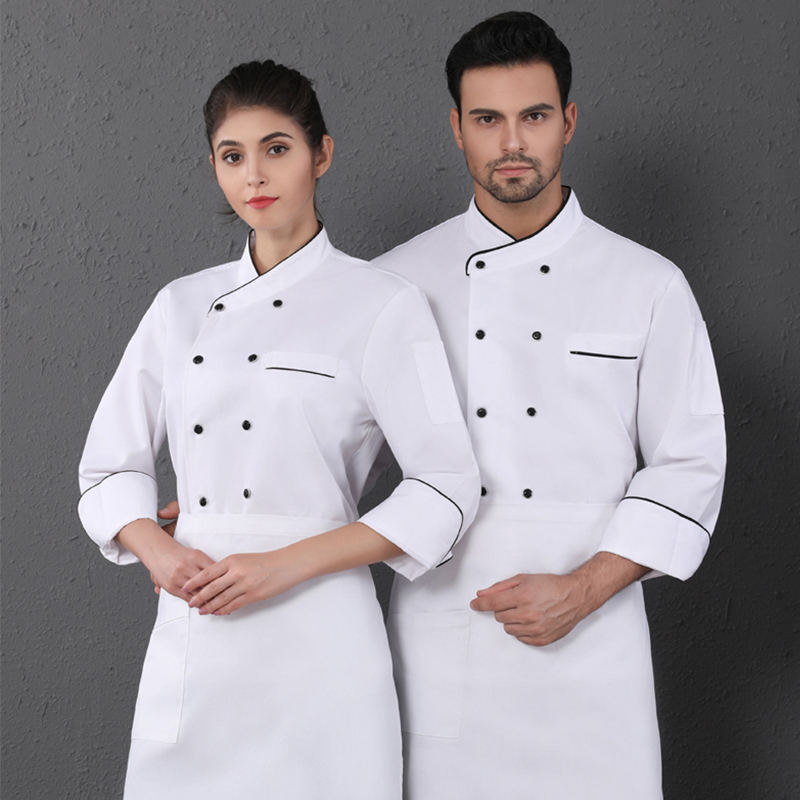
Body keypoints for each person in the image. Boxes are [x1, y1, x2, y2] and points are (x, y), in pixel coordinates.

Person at [77, 60, 480, 800]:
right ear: (214, 167)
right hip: (198, 623)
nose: (255, 175)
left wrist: (283, 565)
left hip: (320, 633)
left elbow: (447, 487)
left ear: (320, 155)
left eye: (277, 149)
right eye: (232, 156)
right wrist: (160, 552)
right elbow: (107, 468)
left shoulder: (382, 304)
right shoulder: (180, 306)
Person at [372, 12, 726, 800]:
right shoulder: (394, 285)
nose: (512, 144)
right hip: (446, 637)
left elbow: (690, 463)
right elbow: (328, 447)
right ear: (456, 128)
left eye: (533, 116)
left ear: (567, 121)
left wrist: (585, 589)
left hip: (594, 649)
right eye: (487, 120)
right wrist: (224, 510)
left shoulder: (647, 284)